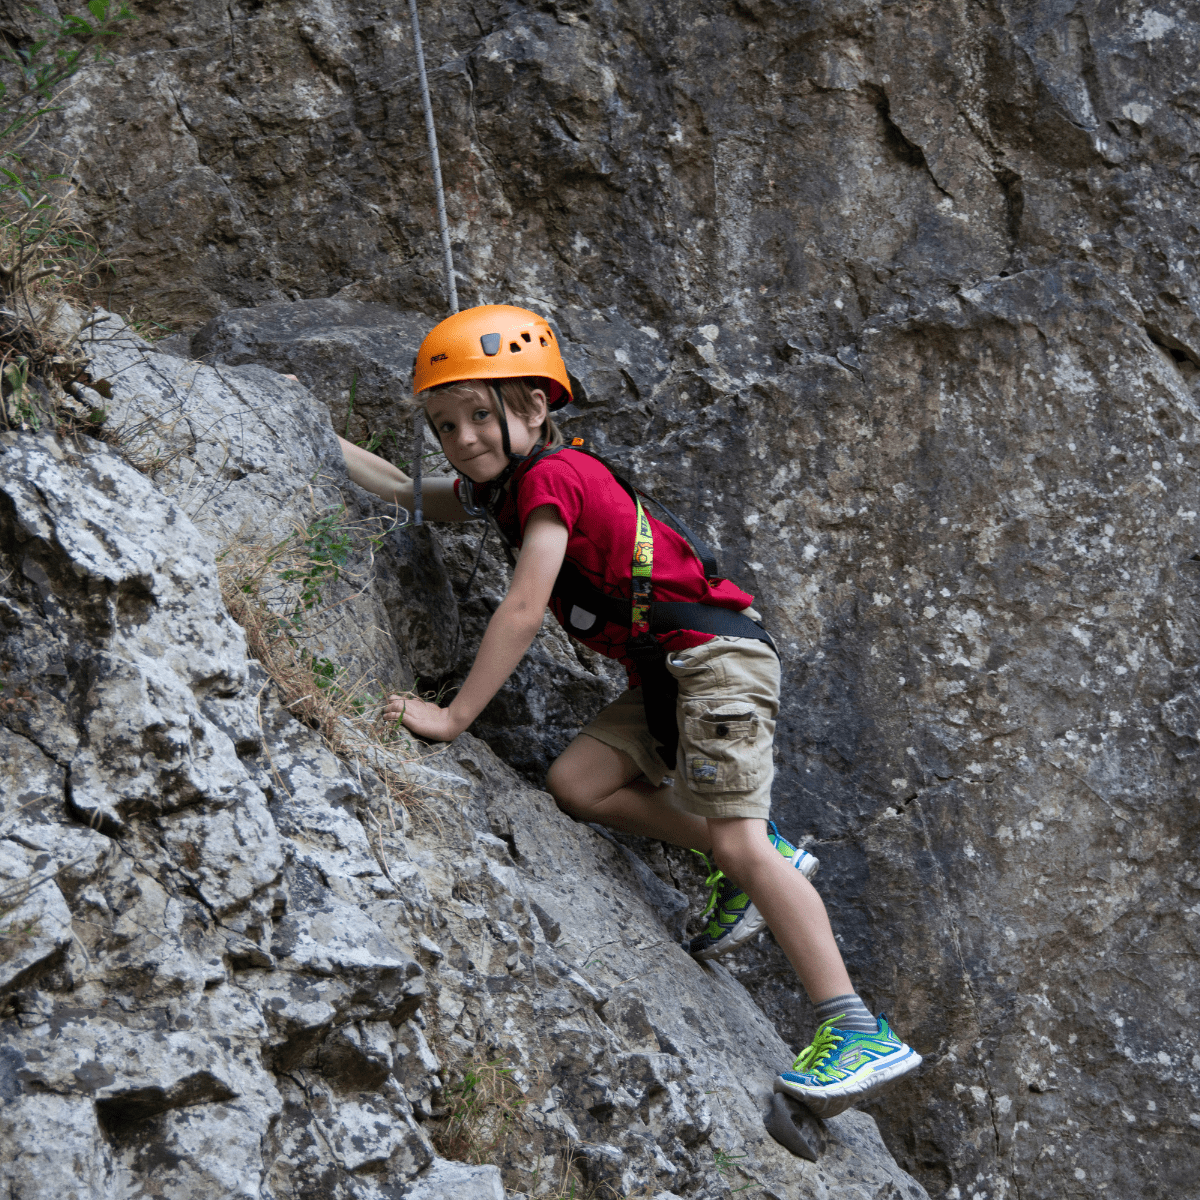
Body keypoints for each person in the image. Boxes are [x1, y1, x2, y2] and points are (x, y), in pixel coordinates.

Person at [338, 304, 921, 1117]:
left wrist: (453, 718)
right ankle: (760, 860)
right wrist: (311, 436)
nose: (462, 437)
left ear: (535, 407)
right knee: (578, 782)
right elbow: (409, 493)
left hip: (714, 664)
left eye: (479, 413)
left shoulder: (552, 481)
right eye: (443, 424)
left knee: (739, 842)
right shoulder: (509, 486)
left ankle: (854, 1027)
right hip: (665, 676)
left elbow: (522, 606)